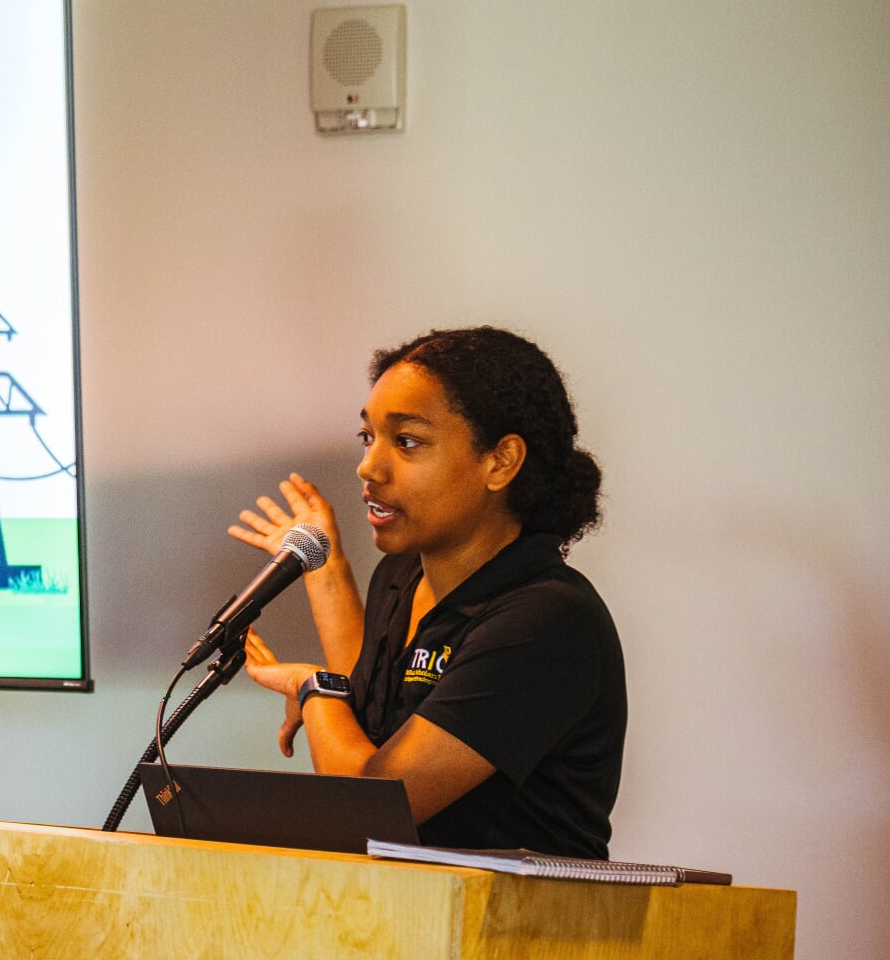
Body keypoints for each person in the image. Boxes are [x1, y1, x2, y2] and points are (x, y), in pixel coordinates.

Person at [226, 326, 626, 859]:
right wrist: (323, 566)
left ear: (501, 461)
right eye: (368, 437)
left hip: (517, 912)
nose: (368, 467)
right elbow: (366, 713)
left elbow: (369, 809)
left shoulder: (545, 619)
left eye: (407, 442)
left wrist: (311, 687)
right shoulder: (400, 576)